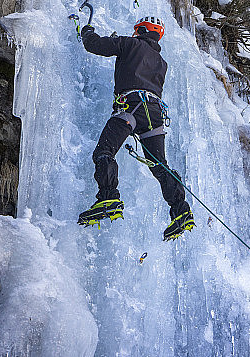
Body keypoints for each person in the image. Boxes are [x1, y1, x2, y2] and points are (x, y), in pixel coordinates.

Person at [77, 16, 195, 241]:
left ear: (141, 30)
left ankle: (108, 197)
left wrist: (87, 30)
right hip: (154, 114)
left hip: (130, 107)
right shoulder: (161, 62)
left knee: (104, 152)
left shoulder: (129, 44)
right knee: (160, 165)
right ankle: (181, 210)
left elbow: (94, 45)